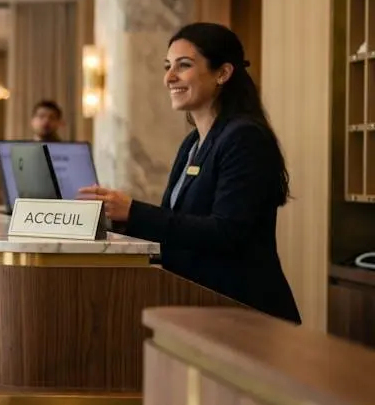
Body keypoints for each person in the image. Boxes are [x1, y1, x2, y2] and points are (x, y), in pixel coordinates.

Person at [78, 22, 301, 324]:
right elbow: (179, 227)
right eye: (168, 66)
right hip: (201, 309)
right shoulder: (193, 143)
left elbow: (226, 233)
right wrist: (114, 219)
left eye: (183, 66)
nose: (169, 77)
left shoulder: (244, 137)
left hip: (245, 312)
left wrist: (134, 211)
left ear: (223, 73)